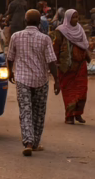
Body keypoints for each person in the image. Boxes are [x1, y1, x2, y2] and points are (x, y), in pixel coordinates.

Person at [7, 9, 60, 156]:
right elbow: (51, 61)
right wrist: (57, 81)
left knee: (25, 110)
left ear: (25, 21)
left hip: (22, 79)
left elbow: (10, 57)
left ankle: (28, 142)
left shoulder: (16, 36)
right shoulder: (45, 39)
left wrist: (10, 71)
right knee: (39, 112)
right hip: (41, 79)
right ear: (39, 23)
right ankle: (35, 142)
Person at [52, 9, 91, 125]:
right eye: (73, 17)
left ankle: (78, 113)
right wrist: (56, 63)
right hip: (67, 67)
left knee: (82, 89)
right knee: (69, 91)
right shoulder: (60, 31)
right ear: (68, 19)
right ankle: (69, 116)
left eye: (77, 17)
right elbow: (56, 47)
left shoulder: (80, 29)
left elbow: (85, 44)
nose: (76, 20)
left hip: (81, 65)